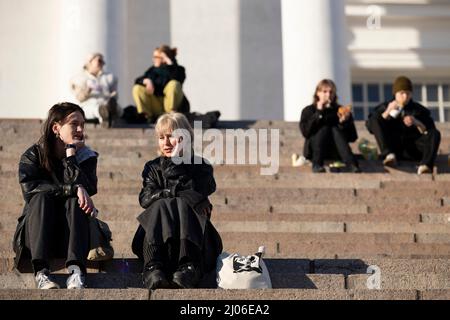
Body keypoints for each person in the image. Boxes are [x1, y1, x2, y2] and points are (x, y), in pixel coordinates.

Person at [131, 112, 222, 290]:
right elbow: (145, 199)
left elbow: (198, 191)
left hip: (194, 241)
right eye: (161, 137)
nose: (165, 143)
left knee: (180, 203)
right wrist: (171, 191)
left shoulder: (201, 166)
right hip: (159, 240)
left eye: (171, 136)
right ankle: (152, 267)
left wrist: (177, 163)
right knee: (160, 203)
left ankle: (189, 267)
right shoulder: (152, 167)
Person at [12, 102, 98, 289]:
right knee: (41, 197)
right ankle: (41, 272)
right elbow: (31, 189)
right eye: (74, 123)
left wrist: (70, 156)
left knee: (76, 202)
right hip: (38, 235)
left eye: (82, 124)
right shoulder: (33, 155)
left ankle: (76, 272)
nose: (80, 129)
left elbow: (89, 187)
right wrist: (72, 189)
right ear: (56, 128)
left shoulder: (86, 156)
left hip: (72, 236)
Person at [366, 76, 441, 175]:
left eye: (408, 93)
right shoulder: (384, 107)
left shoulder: (419, 110)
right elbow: (370, 126)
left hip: (414, 148)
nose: (405, 96)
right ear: (395, 93)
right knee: (375, 119)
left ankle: (426, 165)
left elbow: (431, 132)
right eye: (402, 93)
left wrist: (416, 122)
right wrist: (387, 112)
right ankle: (388, 155)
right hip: (393, 147)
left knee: (435, 133)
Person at [300, 79, 360, 173]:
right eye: (324, 91)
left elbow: (353, 137)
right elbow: (306, 132)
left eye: (331, 92)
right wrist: (319, 113)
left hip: (336, 150)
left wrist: (344, 122)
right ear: (318, 93)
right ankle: (317, 165)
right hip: (315, 151)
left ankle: (352, 164)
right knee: (325, 127)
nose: (328, 95)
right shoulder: (309, 110)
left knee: (335, 128)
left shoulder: (340, 111)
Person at [132, 45, 189, 123]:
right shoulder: (152, 70)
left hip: (169, 106)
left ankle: (171, 115)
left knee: (174, 84)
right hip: (156, 105)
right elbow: (137, 80)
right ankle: (146, 116)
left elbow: (178, 79)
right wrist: (146, 81)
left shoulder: (179, 69)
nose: (153, 59)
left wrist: (169, 63)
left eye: (156, 57)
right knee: (137, 88)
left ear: (163, 58)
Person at [70, 53, 120, 128]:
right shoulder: (79, 78)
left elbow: (115, 95)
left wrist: (113, 96)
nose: (103, 63)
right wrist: (88, 90)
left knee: (115, 107)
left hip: (106, 102)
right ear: (90, 62)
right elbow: (79, 98)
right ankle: (104, 113)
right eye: (99, 61)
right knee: (92, 109)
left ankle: (107, 112)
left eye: (103, 61)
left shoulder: (109, 77)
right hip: (88, 104)